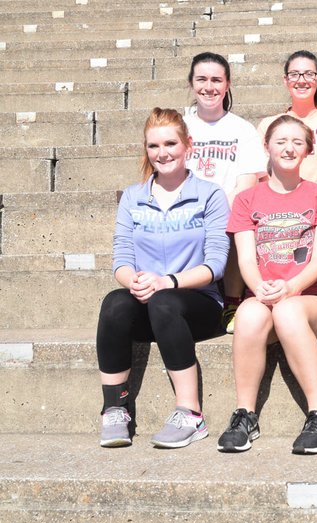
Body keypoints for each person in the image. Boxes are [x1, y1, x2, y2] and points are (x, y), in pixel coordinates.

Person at [96, 107, 230, 449]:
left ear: (188, 145)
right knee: (114, 303)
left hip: (196, 304)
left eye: (170, 143)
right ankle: (114, 408)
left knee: (165, 302)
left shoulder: (210, 195)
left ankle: (190, 413)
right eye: (154, 146)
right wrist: (135, 281)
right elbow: (122, 258)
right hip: (149, 297)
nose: (162, 153)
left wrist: (166, 281)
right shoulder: (133, 196)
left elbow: (215, 265)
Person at [217, 116, 317, 455]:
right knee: (247, 315)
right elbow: (245, 261)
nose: (289, 148)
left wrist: (288, 288)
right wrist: (259, 289)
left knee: (287, 309)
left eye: (297, 142)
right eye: (281, 141)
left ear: (308, 151)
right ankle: (245, 414)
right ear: (267, 147)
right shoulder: (246, 200)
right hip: (265, 293)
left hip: (316, 299)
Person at [184, 52, 268, 334]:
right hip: (187, 208)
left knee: (238, 221)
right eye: (202, 79)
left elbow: (247, 184)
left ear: (228, 84)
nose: (209, 86)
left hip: (227, 210)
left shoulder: (242, 129)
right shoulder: (180, 125)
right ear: (191, 83)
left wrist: (217, 213)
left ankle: (232, 300)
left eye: (217, 80)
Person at [257, 50, 317, 198]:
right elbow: (263, 179)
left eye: (309, 74)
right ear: (285, 80)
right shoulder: (268, 125)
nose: (301, 80)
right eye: (294, 74)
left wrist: (311, 203)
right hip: (278, 211)